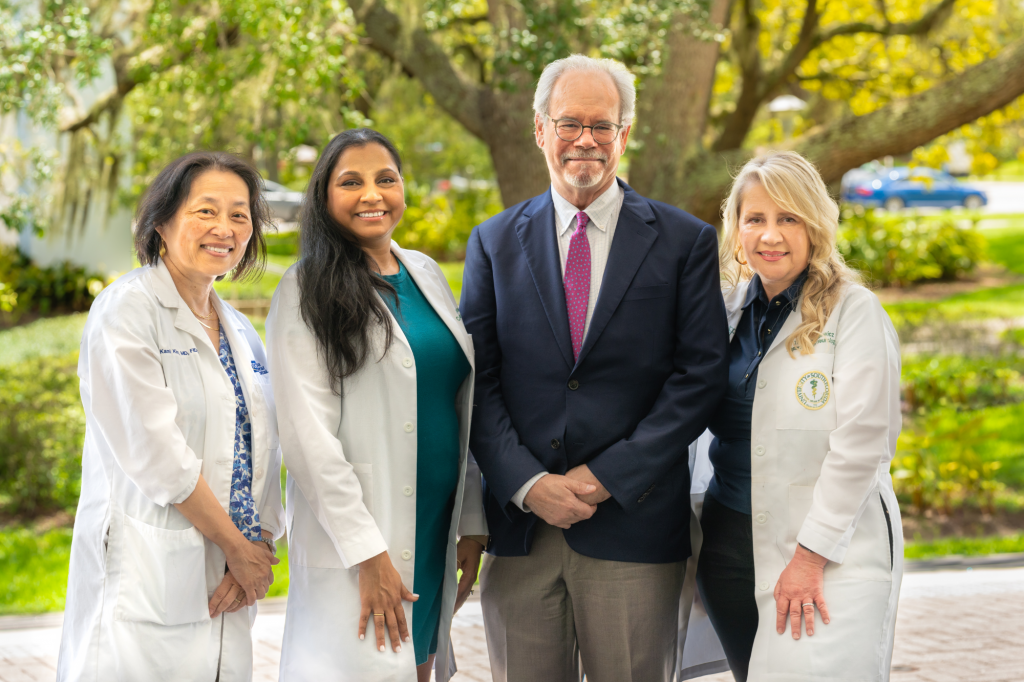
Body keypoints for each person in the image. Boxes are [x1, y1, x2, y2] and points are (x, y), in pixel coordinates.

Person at [460, 54, 730, 682]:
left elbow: (699, 377)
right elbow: (479, 380)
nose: (586, 139)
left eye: (602, 125)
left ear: (624, 135)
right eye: (570, 123)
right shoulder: (493, 242)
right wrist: (528, 484)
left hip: (634, 531)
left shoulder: (684, 241)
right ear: (540, 130)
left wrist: (606, 476)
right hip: (522, 530)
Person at [267, 128, 487, 682]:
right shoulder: (304, 289)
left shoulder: (425, 273)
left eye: (385, 179)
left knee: (416, 668)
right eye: (352, 182)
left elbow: (457, 405)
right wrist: (368, 555)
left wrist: (471, 518)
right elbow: (307, 439)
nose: (373, 194)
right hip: (363, 540)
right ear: (323, 197)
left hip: (432, 528)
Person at [57, 152, 284, 682]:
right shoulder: (126, 312)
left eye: (240, 214)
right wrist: (236, 547)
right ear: (161, 222)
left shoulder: (238, 329)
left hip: (232, 581)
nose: (224, 228)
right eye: (205, 211)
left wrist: (259, 549)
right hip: (149, 576)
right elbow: (157, 453)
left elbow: (263, 450)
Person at [690, 150, 903, 682]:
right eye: (755, 219)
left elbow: (862, 445)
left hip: (829, 554)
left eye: (788, 218)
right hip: (730, 549)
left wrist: (810, 558)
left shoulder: (854, 313)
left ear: (815, 224)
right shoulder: (724, 312)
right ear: (736, 229)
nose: (770, 235)